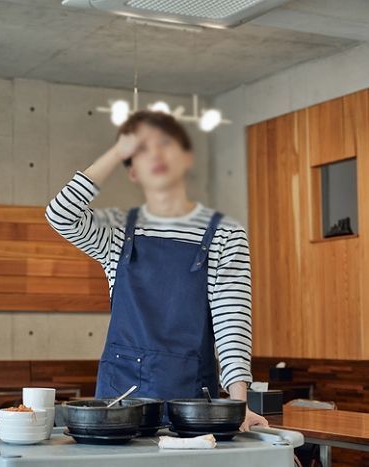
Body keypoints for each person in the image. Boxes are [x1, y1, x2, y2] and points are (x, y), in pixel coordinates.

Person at [45, 110, 267, 431]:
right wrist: (118, 150)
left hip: (191, 406)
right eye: (144, 151)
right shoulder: (118, 233)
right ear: (132, 171)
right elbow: (60, 214)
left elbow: (232, 323)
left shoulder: (226, 234)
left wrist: (238, 404)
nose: (157, 155)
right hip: (117, 405)